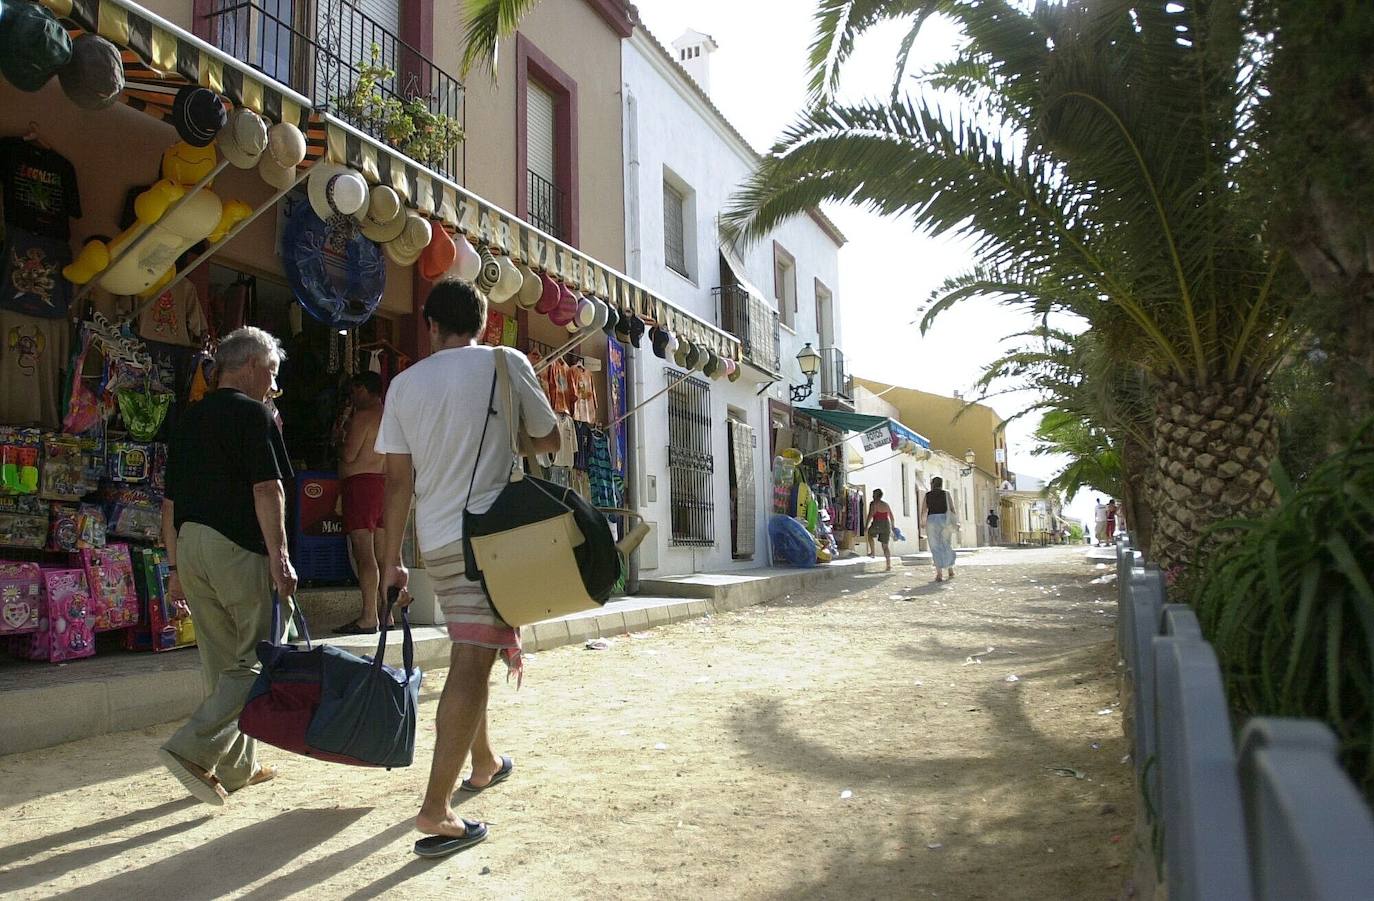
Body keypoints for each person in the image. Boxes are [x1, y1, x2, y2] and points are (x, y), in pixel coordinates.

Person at [377, 279, 561, 859]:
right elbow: (548, 439)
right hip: (491, 542)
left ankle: (483, 761)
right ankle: (435, 811)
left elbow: (397, 481)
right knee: (470, 664)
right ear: (482, 323)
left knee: (472, 650)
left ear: (430, 325)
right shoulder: (507, 363)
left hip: (437, 544)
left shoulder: (404, 385)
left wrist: (392, 563)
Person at [157, 326, 296, 805]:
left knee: (221, 663)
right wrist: (279, 558)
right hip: (236, 546)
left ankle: (240, 766)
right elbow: (268, 489)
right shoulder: (255, 414)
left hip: (191, 546)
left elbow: (170, 504)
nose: (273, 386)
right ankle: (193, 748)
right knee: (263, 656)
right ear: (252, 365)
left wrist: (173, 567)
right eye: (272, 374)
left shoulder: (189, 420)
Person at [332, 371, 388, 634]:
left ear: (366, 390)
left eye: (356, 390)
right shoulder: (390, 417)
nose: (353, 396)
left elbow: (350, 454)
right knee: (382, 554)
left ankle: (369, 615)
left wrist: (339, 441)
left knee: (364, 553)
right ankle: (385, 612)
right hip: (384, 485)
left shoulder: (364, 417)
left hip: (361, 485)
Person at [921, 477, 958, 582]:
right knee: (946, 544)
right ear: (941, 484)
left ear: (932, 484)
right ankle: (950, 569)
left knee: (935, 546)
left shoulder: (928, 495)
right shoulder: (946, 494)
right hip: (944, 520)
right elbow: (952, 508)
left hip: (932, 520)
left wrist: (923, 522)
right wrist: (954, 521)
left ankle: (939, 574)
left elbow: (924, 510)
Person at [864, 489, 895, 571]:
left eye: (873, 494)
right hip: (886, 525)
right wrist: (893, 526)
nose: (872, 496)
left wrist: (866, 526)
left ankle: (873, 552)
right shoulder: (886, 505)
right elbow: (891, 516)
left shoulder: (873, 504)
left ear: (876, 495)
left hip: (877, 523)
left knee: (870, 534)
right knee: (885, 546)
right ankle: (888, 565)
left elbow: (870, 515)